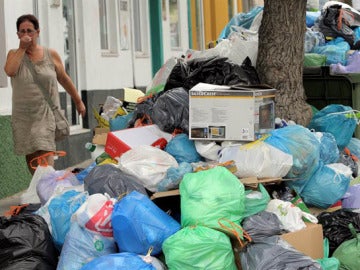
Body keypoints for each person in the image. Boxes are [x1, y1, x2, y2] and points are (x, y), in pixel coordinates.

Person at [4, 14, 86, 175]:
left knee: (45, 153)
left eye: (30, 31)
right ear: (17, 35)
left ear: (38, 32)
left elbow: (64, 79)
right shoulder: (13, 54)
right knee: (33, 161)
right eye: (22, 32)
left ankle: (47, 191)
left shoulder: (50, 55)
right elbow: (9, 71)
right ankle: (41, 191)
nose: (26, 35)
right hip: (23, 117)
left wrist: (78, 101)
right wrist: (21, 48)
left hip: (45, 114)